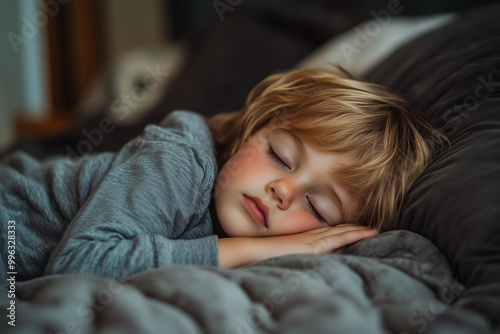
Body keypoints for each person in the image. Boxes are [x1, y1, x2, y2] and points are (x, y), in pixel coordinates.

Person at [0, 68, 446, 281]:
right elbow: (80, 263)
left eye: (317, 205)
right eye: (279, 155)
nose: (283, 190)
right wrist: (252, 249)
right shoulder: (179, 160)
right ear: (253, 129)